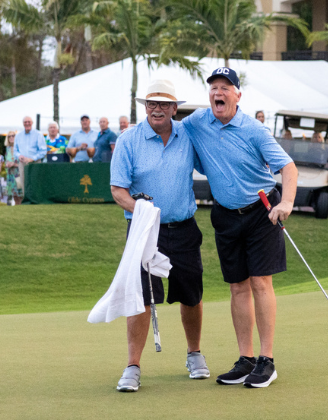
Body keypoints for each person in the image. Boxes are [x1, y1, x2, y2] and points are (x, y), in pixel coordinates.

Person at [183, 67, 298, 388]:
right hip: (225, 215)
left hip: (262, 211)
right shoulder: (197, 123)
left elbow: (287, 167)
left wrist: (286, 203)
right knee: (237, 287)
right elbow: (171, 128)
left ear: (237, 94)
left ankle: (266, 360)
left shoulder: (254, 129)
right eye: (213, 88)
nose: (218, 92)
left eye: (225, 87)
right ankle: (245, 359)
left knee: (261, 283)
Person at [110, 79, 209, 392]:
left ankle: (194, 353)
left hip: (183, 227)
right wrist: (142, 210)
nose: (157, 109)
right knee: (140, 298)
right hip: (143, 231)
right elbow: (118, 190)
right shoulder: (129, 139)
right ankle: (133, 366)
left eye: (164, 104)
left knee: (191, 295)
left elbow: (211, 164)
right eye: (151, 103)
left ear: (174, 109)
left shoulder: (187, 135)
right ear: (144, 107)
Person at [4, 131, 23, 205]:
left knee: (20, 195)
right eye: (9, 136)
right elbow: (6, 161)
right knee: (14, 196)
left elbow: (24, 162)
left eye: (13, 136)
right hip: (10, 175)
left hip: (19, 174)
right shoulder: (7, 149)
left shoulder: (21, 148)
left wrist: (14, 164)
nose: (11, 137)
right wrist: (7, 164)